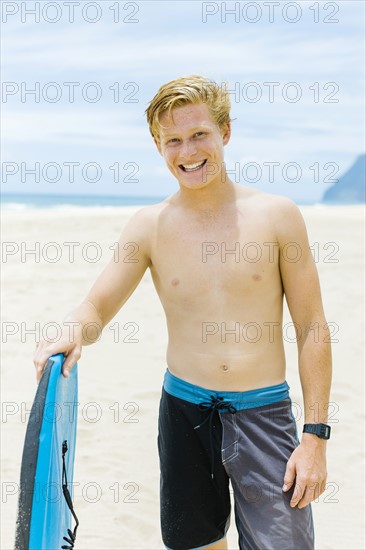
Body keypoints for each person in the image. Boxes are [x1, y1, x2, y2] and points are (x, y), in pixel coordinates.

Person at [34, 75, 332, 550]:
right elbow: (96, 304)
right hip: (183, 413)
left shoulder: (277, 216)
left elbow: (313, 327)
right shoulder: (150, 225)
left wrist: (315, 436)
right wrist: (74, 330)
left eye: (199, 135)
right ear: (158, 146)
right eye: (172, 140)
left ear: (225, 133)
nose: (187, 151)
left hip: (264, 413)